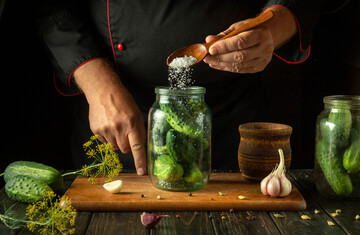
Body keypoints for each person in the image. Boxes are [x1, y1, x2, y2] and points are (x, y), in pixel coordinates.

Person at [35, 0, 324, 174]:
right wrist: (96, 82)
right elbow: (52, 6)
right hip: (113, 117)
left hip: (227, 122)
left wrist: (275, 26)